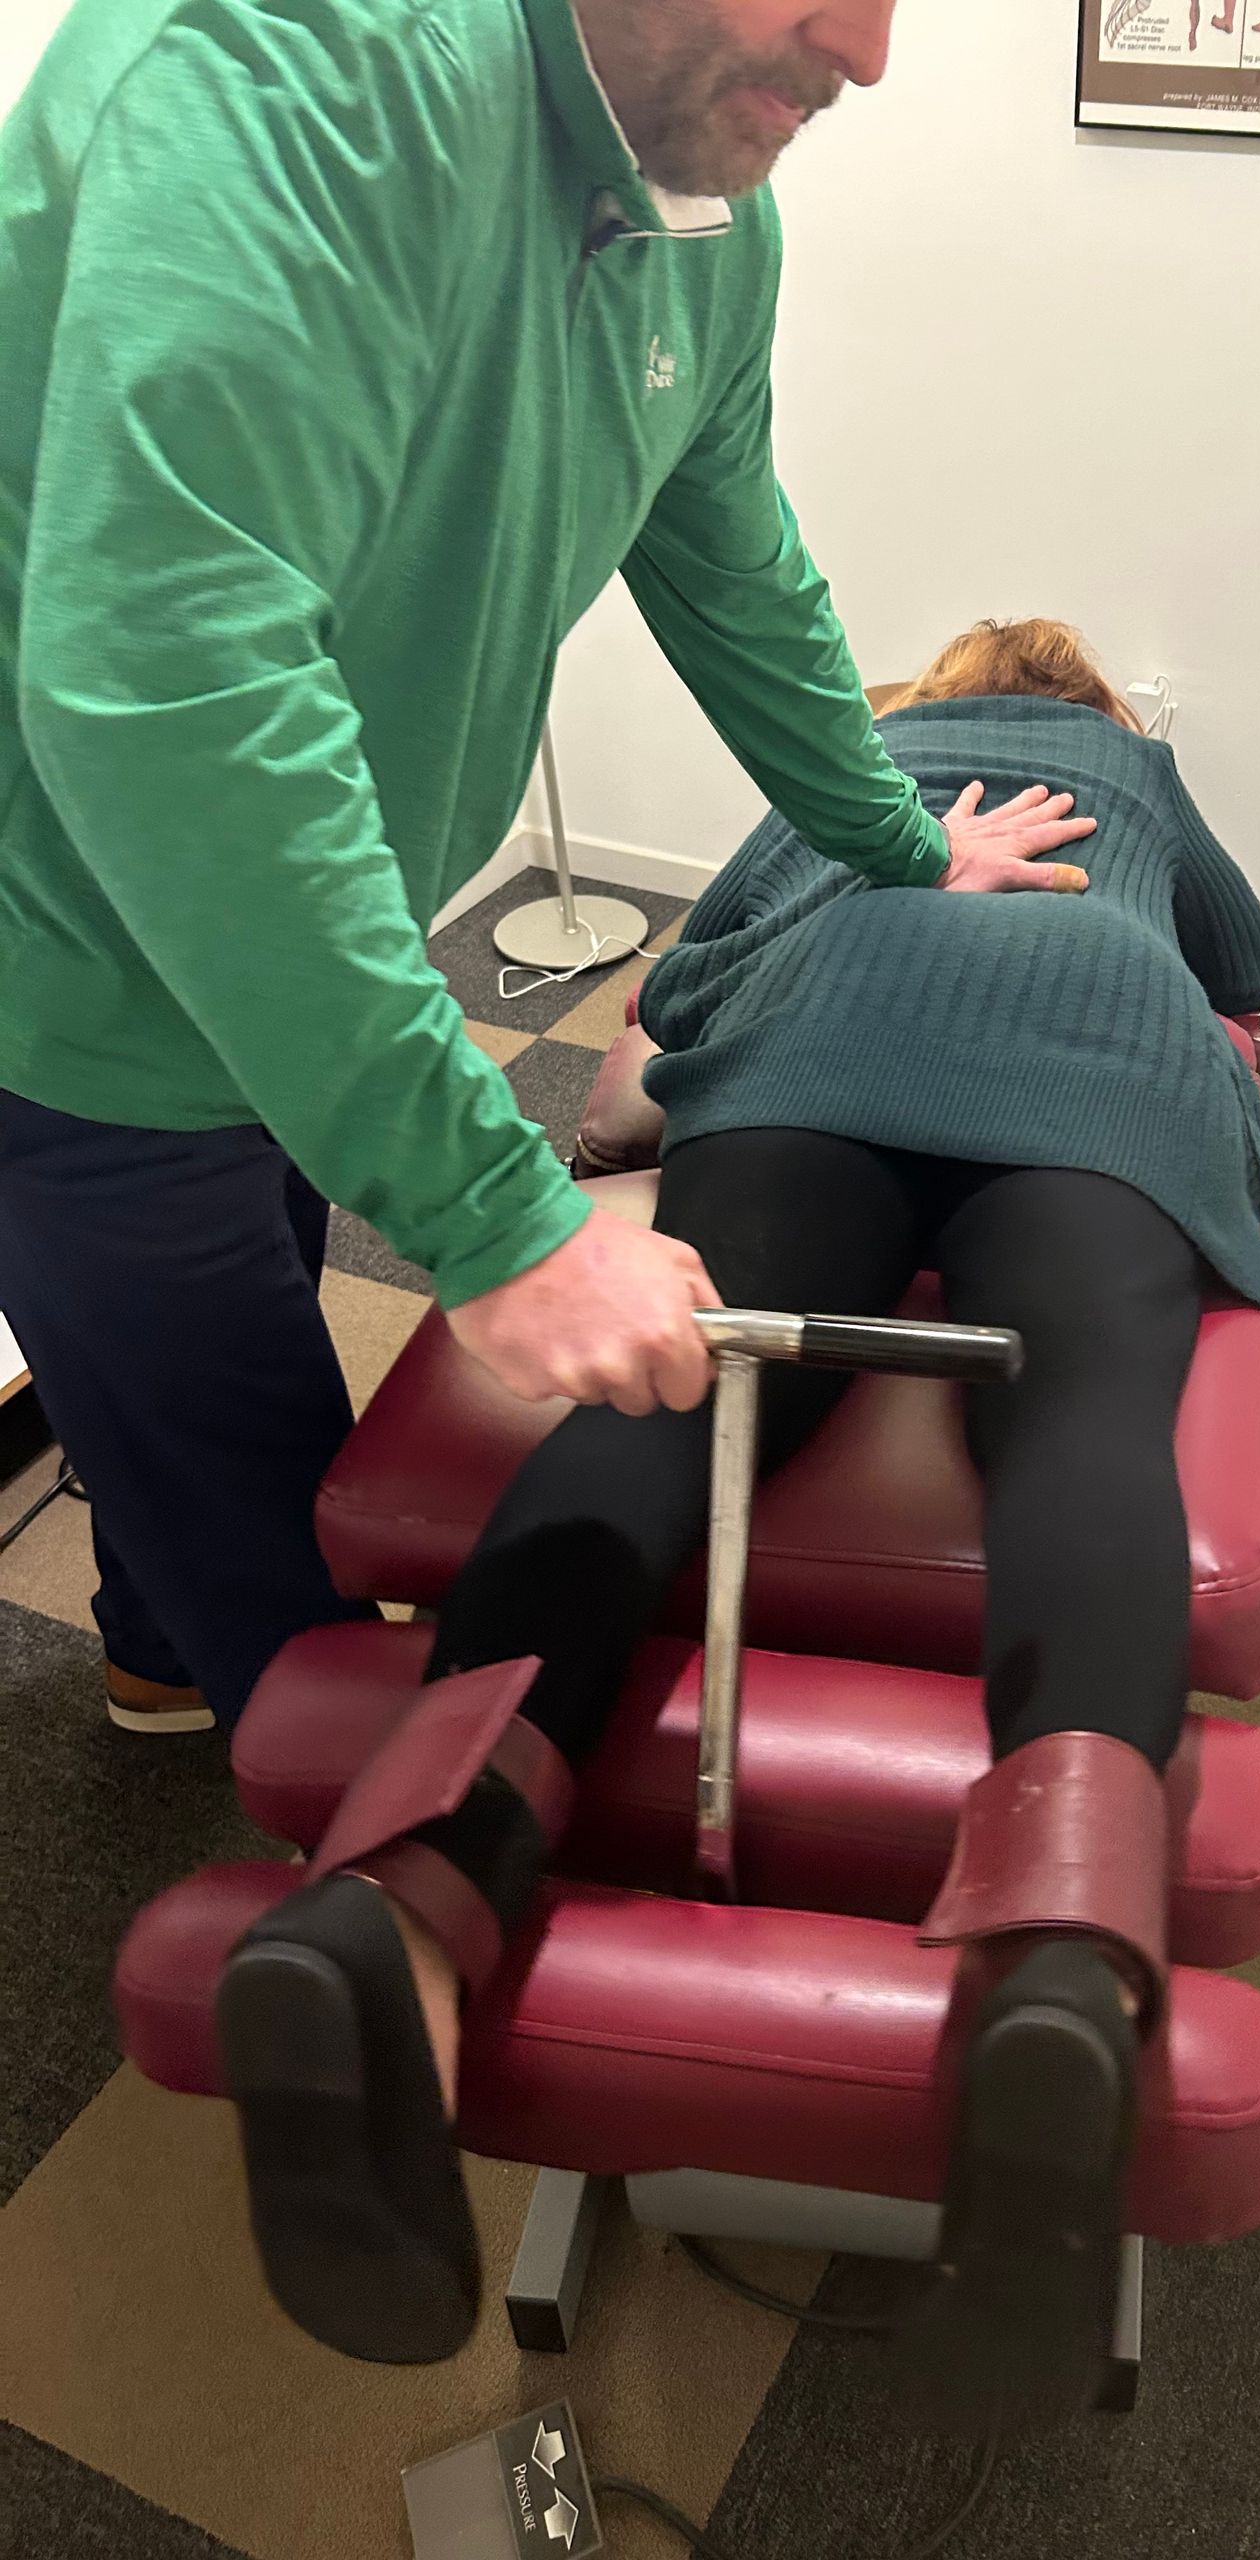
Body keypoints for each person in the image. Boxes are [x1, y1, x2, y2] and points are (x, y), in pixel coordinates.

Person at [212, 618, 1260, 2433]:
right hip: (1104, 1088)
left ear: (910, 694)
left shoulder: (835, 772)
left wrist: (622, 1127)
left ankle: (401, 1899)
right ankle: (1058, 1960)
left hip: (810, 1073)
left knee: (675, 1391)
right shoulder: (1139, 786)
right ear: (1097, 715)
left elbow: (645, 1042)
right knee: (1085, 1428)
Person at [0, 0, 1093, 1742]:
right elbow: (169, 689)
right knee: (262, 1496)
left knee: (254, 1271)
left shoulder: (707, 205)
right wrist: (503, 1222)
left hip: (296, 905)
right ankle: (336, 1850)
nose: (867, 54)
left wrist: (903, 845)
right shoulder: (274, 71)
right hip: (81, 949)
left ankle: (150, 1648)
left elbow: (735, 560)